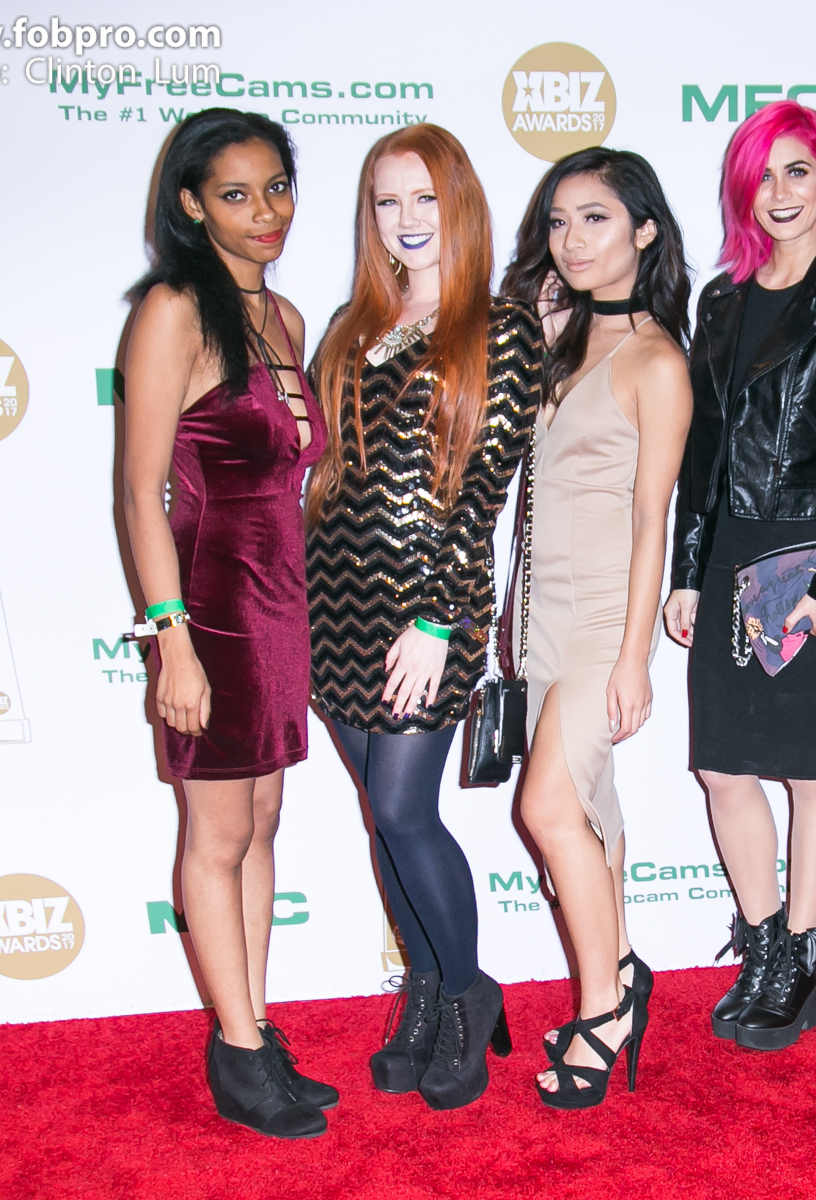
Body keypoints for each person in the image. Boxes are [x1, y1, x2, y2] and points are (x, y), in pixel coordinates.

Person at [305, 124, 541, 1111]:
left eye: (423, 198)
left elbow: (481, 494)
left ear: (460, 205)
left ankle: (466, 995)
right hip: (332, 604)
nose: (404, 219)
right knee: (385, 820)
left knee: (407, 811)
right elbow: (327, 471)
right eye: (386, 200)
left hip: (426, 611)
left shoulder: (502, 329)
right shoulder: (352, 324)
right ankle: (424, 993)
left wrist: (439, 622)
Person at [661, 101, 816, 1051]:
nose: (780, 191)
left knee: (807, 767)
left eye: (798, 170)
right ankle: (762, 943)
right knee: (720, 764)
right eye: (762, 175)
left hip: (809, 553)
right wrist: (688, 569)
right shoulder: (721, 302)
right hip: (729, 555)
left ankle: (799, 956)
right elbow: (702, 453)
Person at [123, 109, 333, 1138]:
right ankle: (239, 1056)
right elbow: (139, 492)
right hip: (208, 605)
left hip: (280, 603)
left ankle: (255, 1025)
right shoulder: (174, 310)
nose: (265, 212)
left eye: (277, 187)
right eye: (237, 194)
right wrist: (172, 639)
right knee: (216, 834)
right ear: (192, 204)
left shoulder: (283, 316)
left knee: (262, 824)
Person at [501, 148, 692, 1107]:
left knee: (546, 810)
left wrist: (633, 658)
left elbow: (653, 519)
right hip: (540, 613)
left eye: (597, 219)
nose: (572, 240)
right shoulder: (557, 339)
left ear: (644, 230)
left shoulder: (657, 361)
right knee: (590, 810)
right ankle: (619, 971)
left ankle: (606, 1010)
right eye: (559, 221)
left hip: (603, 616)